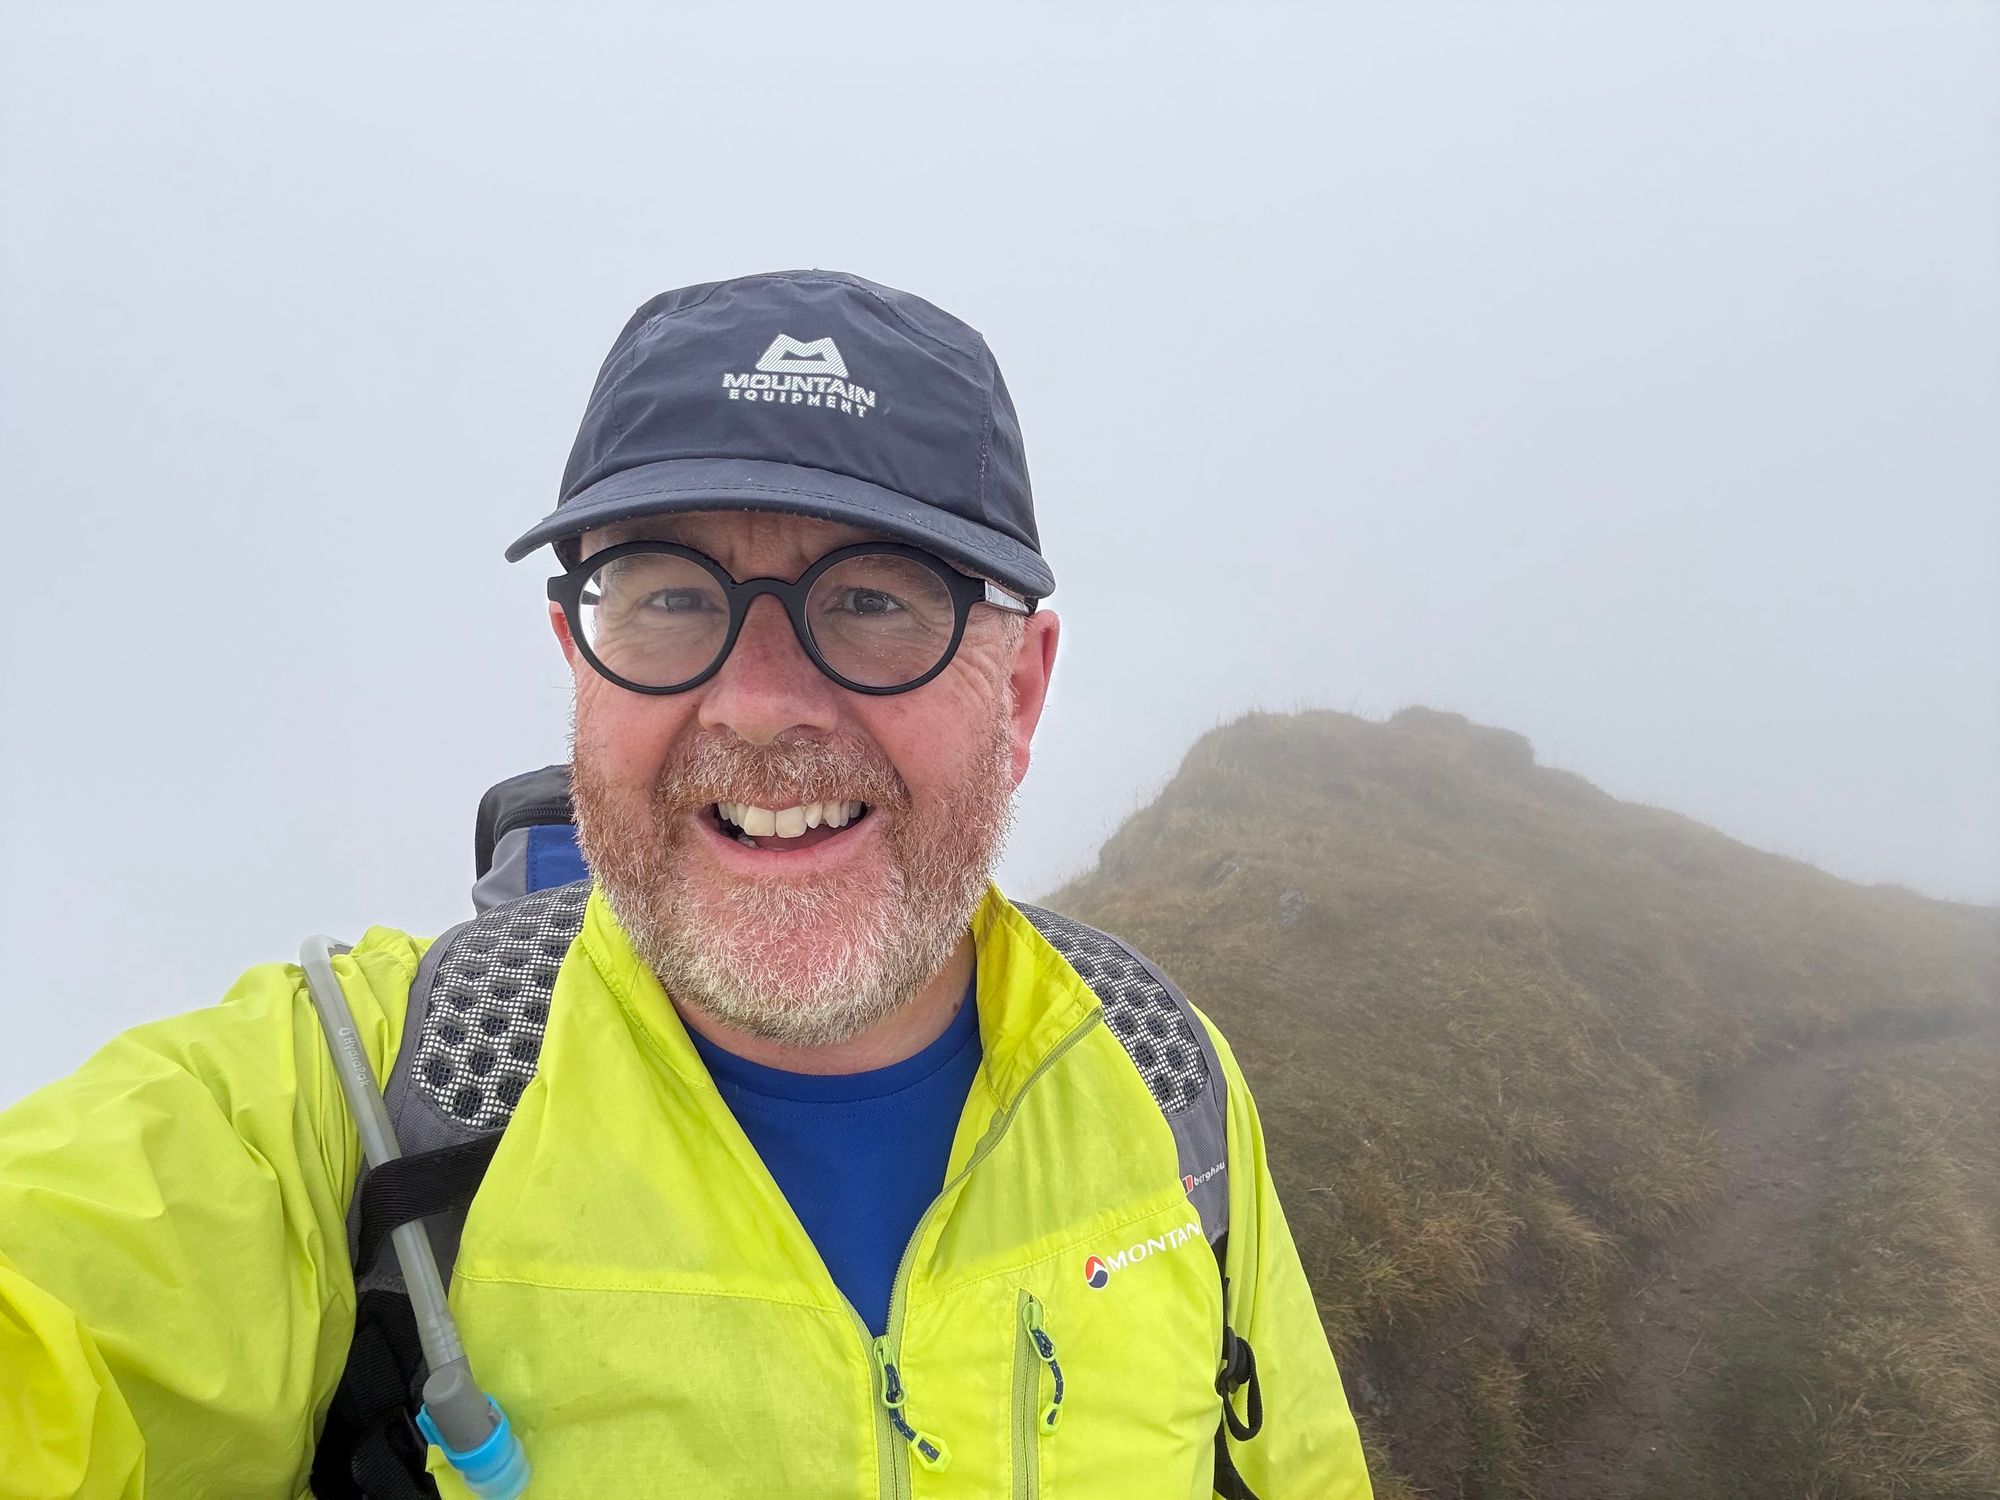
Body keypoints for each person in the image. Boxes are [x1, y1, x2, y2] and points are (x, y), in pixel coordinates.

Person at [0, 270, 1374, 1498]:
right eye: (668, 596)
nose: (761, 705)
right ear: (575, 657)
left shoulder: (1162, 1080)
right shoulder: (351, 1116)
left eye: (875, 598)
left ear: (1019, 688)